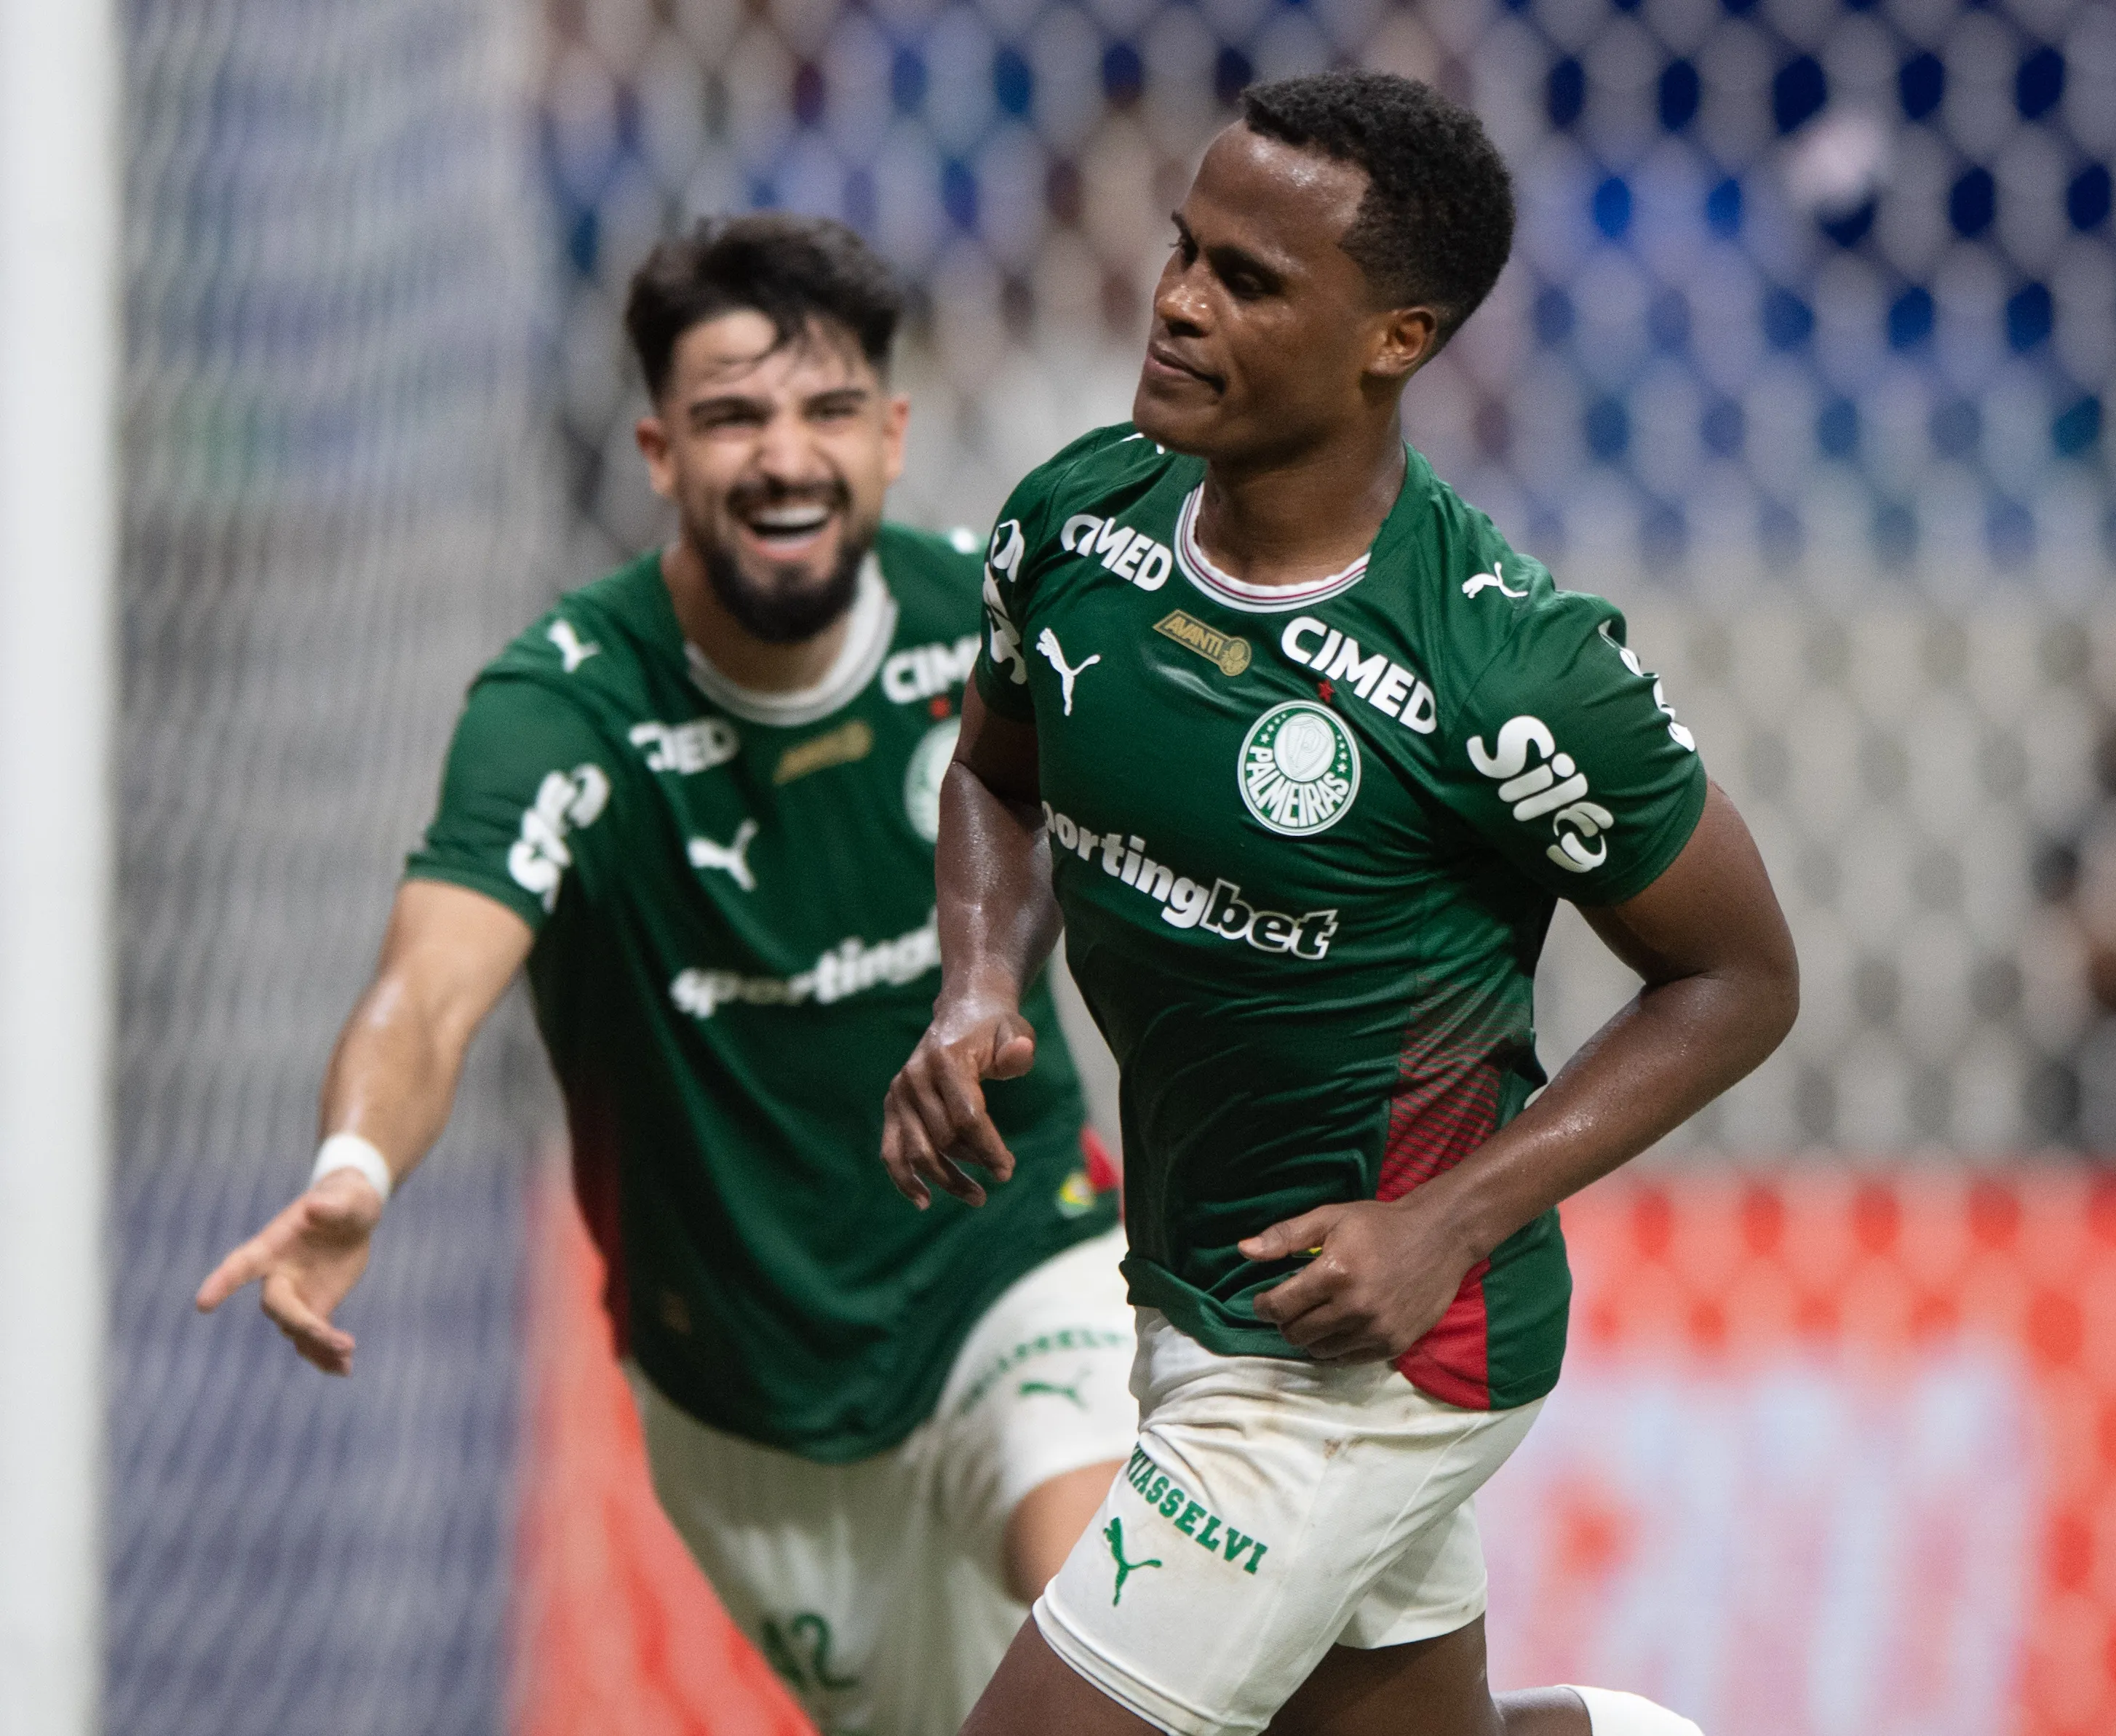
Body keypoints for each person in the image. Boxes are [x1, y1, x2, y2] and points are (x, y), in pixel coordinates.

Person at [883, 71, 1798, 1736]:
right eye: (1185, 249)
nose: (1175, 300)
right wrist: (976, 984)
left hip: (1378, 1348)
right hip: (1187, 1286)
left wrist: (1450, 1216)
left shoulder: (1508, 666)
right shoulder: (1077, 521)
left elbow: (1738, 980)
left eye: (1249, 280)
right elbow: (997, 777)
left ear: (1398, 338)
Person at [196, 214, 1139, 1736]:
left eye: (829, 411)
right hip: (746, 1389)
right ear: (657, 450)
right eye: (732, 417)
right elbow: (431, 985)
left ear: (893, 437)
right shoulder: (565, 700)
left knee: (1114, 1646)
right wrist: (359, 1161)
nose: (786, 456)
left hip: (1013, 1263)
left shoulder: (1000, 635)